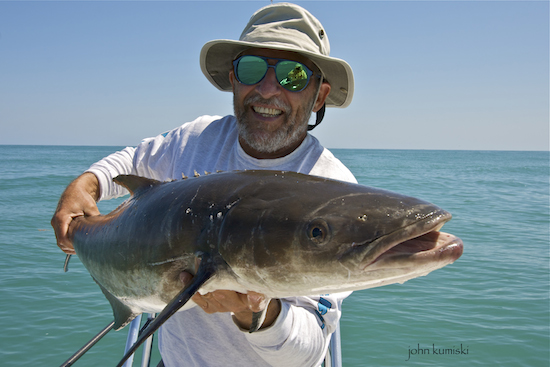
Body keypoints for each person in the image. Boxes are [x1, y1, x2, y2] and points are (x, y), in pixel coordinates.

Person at [51, 3, 356, 367]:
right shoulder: (196, 137)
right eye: (252, 68)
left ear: (319, 95)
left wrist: (257, 315)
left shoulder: (335, 195)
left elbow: (308, 351)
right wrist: (85, 186)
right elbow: (132, 160)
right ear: (233, 79)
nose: (268, 89)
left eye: (293, 76)